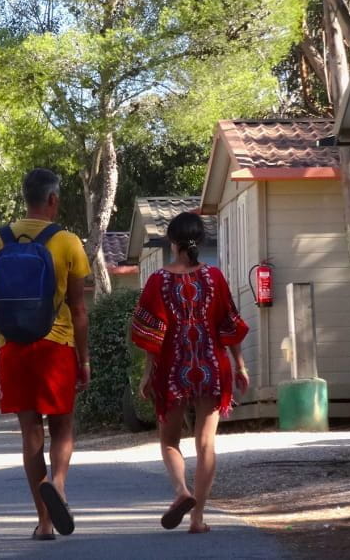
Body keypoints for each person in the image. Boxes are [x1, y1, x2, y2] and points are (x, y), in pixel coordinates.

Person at [0, 168, 91, 541]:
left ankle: (44, 523)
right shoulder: (68, 242)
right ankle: (57, 483)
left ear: (25, 197)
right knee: (62, 425)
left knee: (30, 433)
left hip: (12, 346)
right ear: (53, 199)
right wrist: (84, 359)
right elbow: (78, 308)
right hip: (56, 344)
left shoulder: (0, 239)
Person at [131, 212, 249, 534]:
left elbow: (151, 333)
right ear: (200, 242)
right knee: (206, 444)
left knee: (169, 440)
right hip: (212, 366)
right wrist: (240, 366)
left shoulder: (158, 280)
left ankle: (182, 491)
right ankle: (197, 519)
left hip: (173, 369)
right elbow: (229, 326)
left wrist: (146, 374)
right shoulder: (214, 278)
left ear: (172, 241)